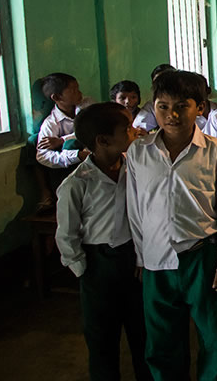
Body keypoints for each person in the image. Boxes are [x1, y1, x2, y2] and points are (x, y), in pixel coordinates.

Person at [126, 69, 217, 380]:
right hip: (156, 259)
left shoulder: (215, 151)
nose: (172, 115)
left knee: (214, 340)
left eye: (182, 106)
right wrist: (141, 256)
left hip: (202, 257)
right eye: (162, 106)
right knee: (162, 342)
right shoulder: (139, 152)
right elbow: (136, 210)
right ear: (153, 107)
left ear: (200, 108)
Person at [55, 102, 150, 381]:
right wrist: (84, 271)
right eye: (127, 129)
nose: (135, 132)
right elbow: (67, 234)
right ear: (103, 140)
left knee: (142, 334)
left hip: (134, 260)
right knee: (102, 340)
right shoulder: (77, 183)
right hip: (98, 264)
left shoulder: (132, 168)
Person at [36, 72, 92, 211]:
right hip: (70, 166)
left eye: (78, 88)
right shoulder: (51, 123)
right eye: (73, 90)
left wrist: (62, 140)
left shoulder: (87, 105)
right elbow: (42, 155)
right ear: (57, 97)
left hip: (92, 155)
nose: (79, 93)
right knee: (70, 147)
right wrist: (76, 155)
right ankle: (66, 196)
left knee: (70, 143)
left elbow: (90, 129)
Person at [132, 63, 175, 133]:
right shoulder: (152, 106)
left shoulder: (190, 102)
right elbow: (138, 130)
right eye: (157, 83)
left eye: (167, 81)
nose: (162, 85)